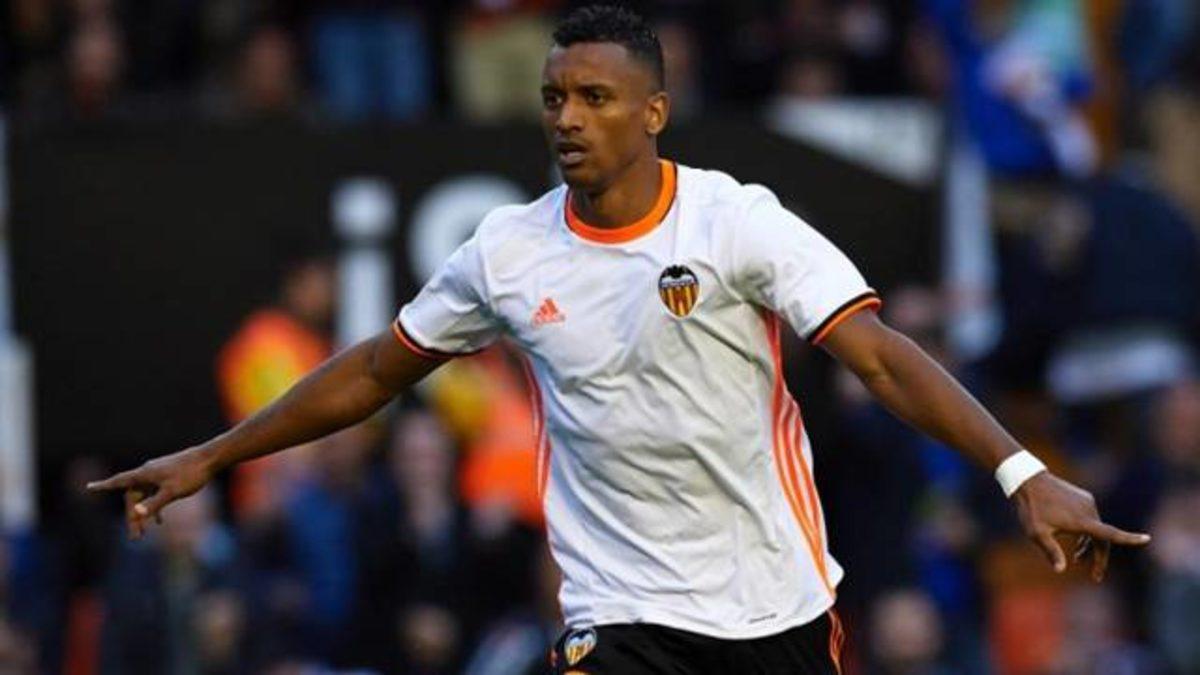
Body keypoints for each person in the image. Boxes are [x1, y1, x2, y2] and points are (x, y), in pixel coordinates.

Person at [89, 6, 1151, 674]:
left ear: (653, 112)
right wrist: (214, 455)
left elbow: (879, 357)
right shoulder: (506, 253)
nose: (567, 117)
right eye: (555, 97)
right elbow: (374, 370)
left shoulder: (735, 222)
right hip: (617, 611)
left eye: (595, 98)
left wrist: (1022, 473)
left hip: (773, 606)